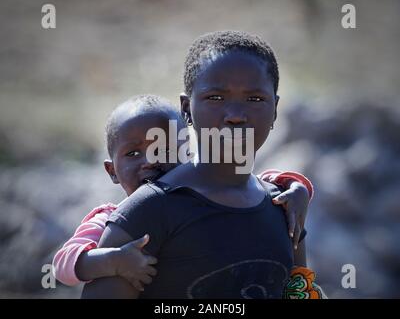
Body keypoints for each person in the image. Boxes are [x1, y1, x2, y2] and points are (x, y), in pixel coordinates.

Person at [81, 30, 320, 299]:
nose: (236, 116)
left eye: (255, 99)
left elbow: (299, 292)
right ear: (186, 109)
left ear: (275, 109)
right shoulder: (149, 210)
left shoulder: (285, 207)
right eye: (216, 98)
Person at [52, 94, 314, 293]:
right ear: (112, 171)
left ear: (187, 156)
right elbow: (62, 265)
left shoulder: (204, 200)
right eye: (133, 153)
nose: (149, 161)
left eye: (164, 150)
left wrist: (297, 187)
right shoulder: (110, 219)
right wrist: (113, 260)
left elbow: (262, 182)